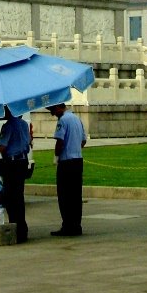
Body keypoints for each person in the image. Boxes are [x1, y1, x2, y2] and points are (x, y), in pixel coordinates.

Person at [48, 101, 86, 237]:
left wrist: (57, 156)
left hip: (66, 162)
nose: (53, 114)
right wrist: (75, 148)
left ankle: (68, 226)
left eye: (53, 110)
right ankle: (76, 225)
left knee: (65, 195)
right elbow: (83, 140)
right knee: (76, 195)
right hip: (77, 160)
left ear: (59, 106)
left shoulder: (63, 120)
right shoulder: (77, 119)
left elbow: (60, 141)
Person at [0, 107, 31, 243]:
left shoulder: (8, 126)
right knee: (19, 196)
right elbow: (28, 142)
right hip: (23, 161)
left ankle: (15, 227)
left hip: (12, 163)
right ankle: (22, 229)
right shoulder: (24, 124)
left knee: (10, 198)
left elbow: (3, 146)